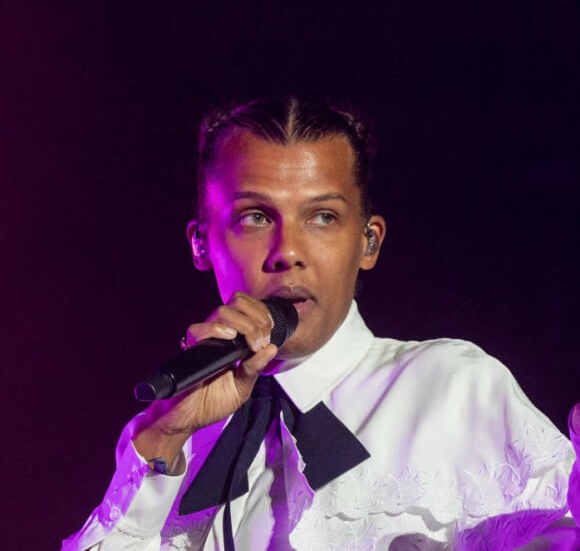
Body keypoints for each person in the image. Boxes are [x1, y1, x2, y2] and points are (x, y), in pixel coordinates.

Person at [64, 96, 580, 550]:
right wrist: (163, 433)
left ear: (368, 241)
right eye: (255, 217)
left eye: (323, 217)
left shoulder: (451, 386)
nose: (287, 252)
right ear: (201, 244)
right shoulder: (173, 440)